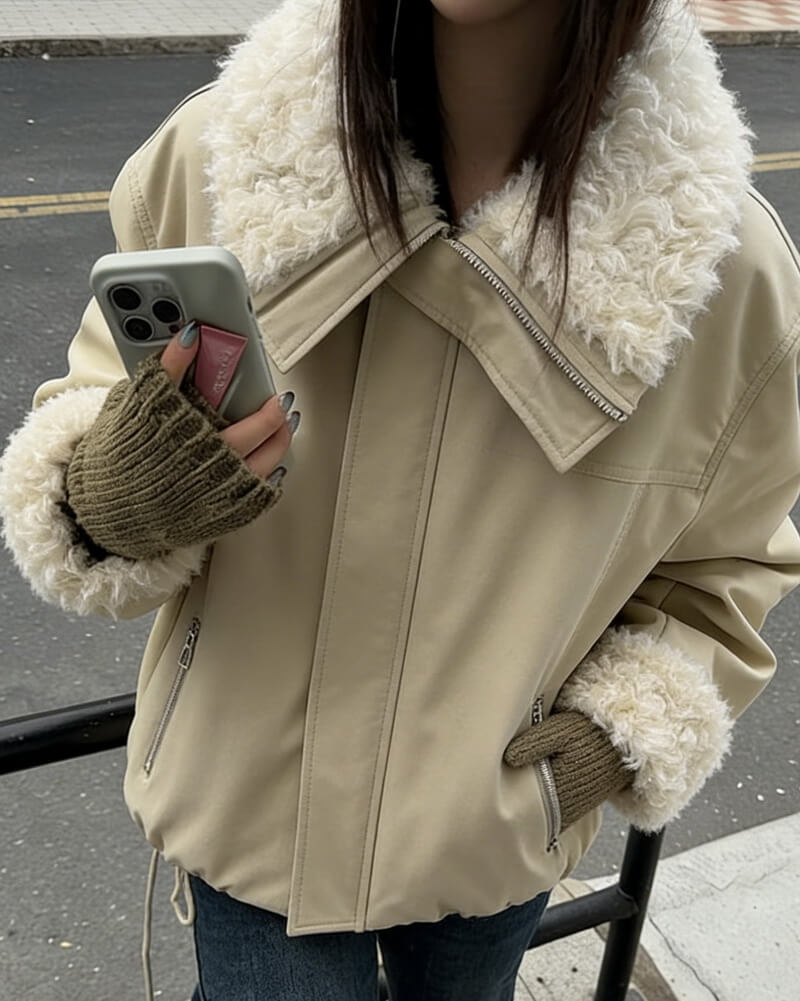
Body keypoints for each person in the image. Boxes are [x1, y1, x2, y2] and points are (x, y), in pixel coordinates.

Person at [2, 0, 800, 997]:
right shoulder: (216, 155)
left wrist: (614, 736)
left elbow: (726, 567)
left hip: (491, 830)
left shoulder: (731, 275)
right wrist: (113, 492)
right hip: (246, 812)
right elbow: (82, 423)